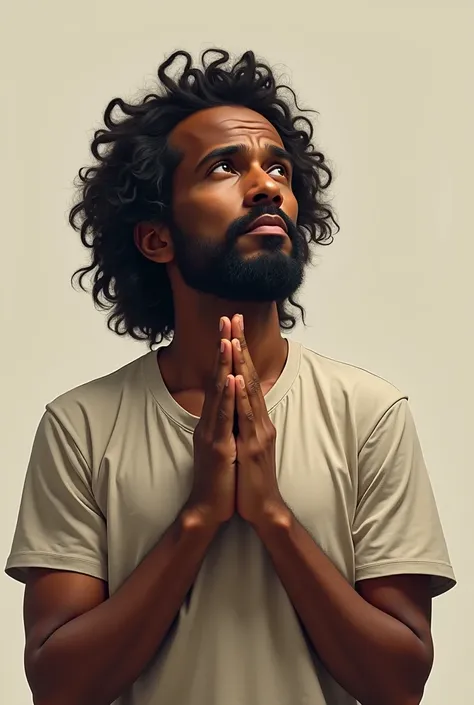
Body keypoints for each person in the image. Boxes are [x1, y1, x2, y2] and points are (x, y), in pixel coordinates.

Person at [5, 49, 455, 705]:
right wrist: (199, 517)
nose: (266, 183)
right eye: (225, 167)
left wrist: (272, 514)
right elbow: (58, 686)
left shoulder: (370, 413)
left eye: (278, 166)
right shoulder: (81, 425)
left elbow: (400, 683)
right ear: (156, 237)